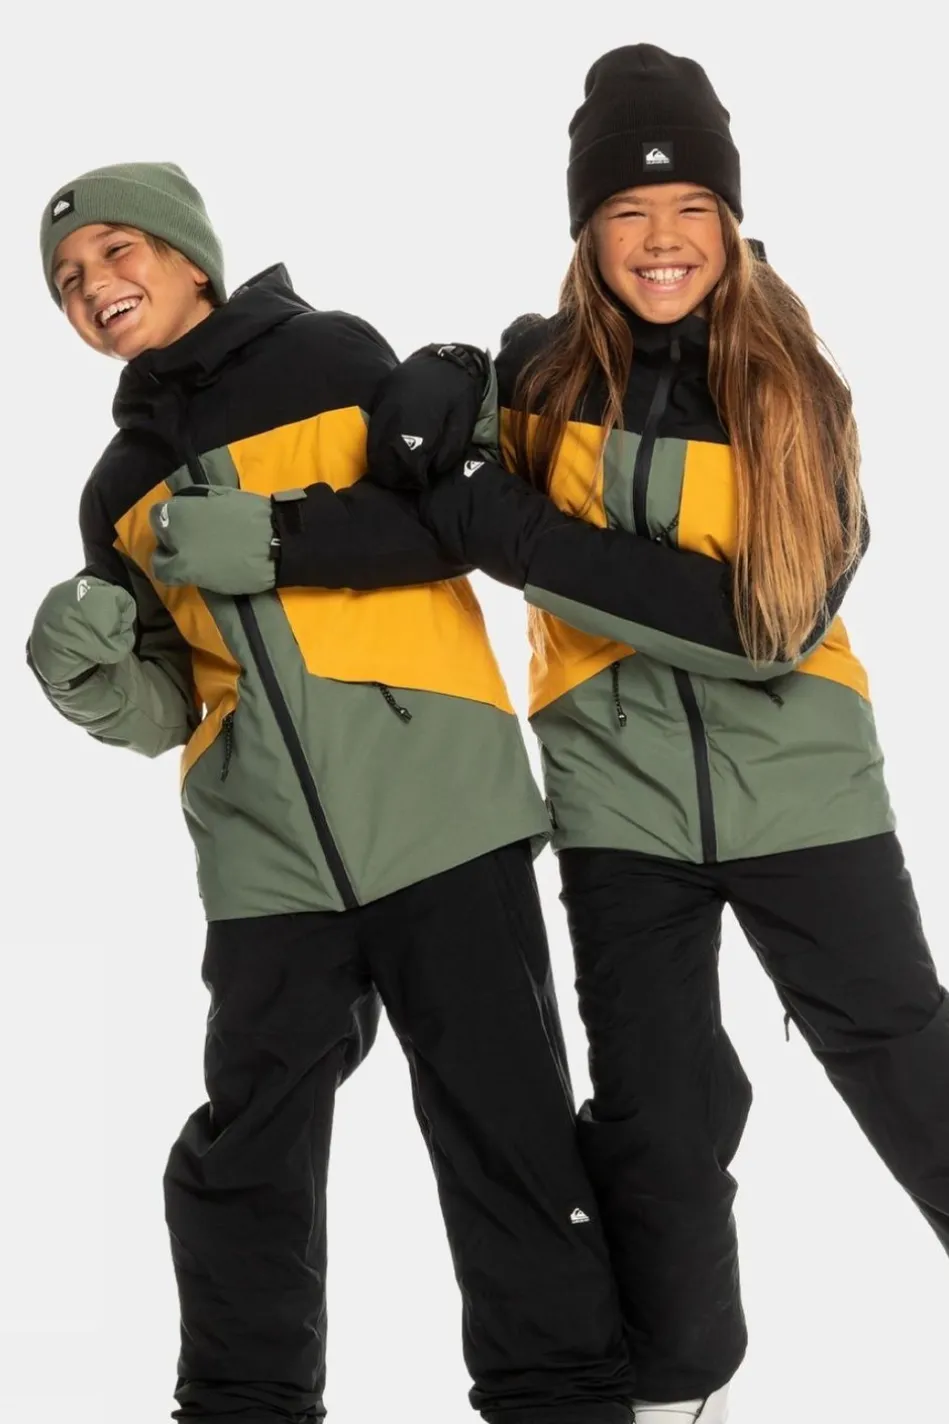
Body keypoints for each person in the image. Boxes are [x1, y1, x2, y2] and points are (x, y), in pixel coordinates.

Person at [328, 44, 949, 1424]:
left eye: (689, 210)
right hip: (615, 806)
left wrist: (503, 522)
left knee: (906, 1063)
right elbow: (421, 504)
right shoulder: (536, 376)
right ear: (586, 231)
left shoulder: (795, 388)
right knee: (656, 1119)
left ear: (728, 219)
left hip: (804, 792)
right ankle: (679, 1382)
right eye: (627, 211)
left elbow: (763, 624)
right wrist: (421, 401)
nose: (661, 240)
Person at [28, 161, 638, 1424]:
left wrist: (275, 531)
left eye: (118, 251)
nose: (95, 286)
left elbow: (445, 527)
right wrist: (88, 680)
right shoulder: (115, 485)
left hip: (438, 804)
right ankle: (242, 1404)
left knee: (503, 1128)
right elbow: (166, 699)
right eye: (69, 280)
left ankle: (562, 1400)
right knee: (244, 1148)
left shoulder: (328, 355)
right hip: (266, 856)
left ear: (191, 256)